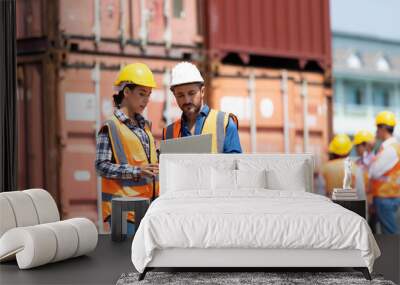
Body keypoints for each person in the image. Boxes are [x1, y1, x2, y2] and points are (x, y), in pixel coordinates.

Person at [95, 63, 159, 233]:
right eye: (141, 94)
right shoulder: (111, 126)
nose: (146, 100)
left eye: (149, 95)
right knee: (125, 260)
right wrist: (137, 171)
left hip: (148, 211)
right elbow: (101, 167)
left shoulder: (145, 127)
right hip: (123, 214)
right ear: (127, 92)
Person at [162, 61, 242, 153]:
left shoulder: (225, 123)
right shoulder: (168, 133)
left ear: (202, 91)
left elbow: (235, 164)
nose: (187, 100)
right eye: (180, 95)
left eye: (191, 93)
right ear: (174, 95)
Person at [369, 111, 400, 234]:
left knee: (390, 235)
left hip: (385, 197)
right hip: (388, 195)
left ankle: (393, 254)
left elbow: (374, 172)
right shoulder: (390, 147)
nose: (376, 131)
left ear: (382, 128)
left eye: (377, 128)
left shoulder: (390, 149)